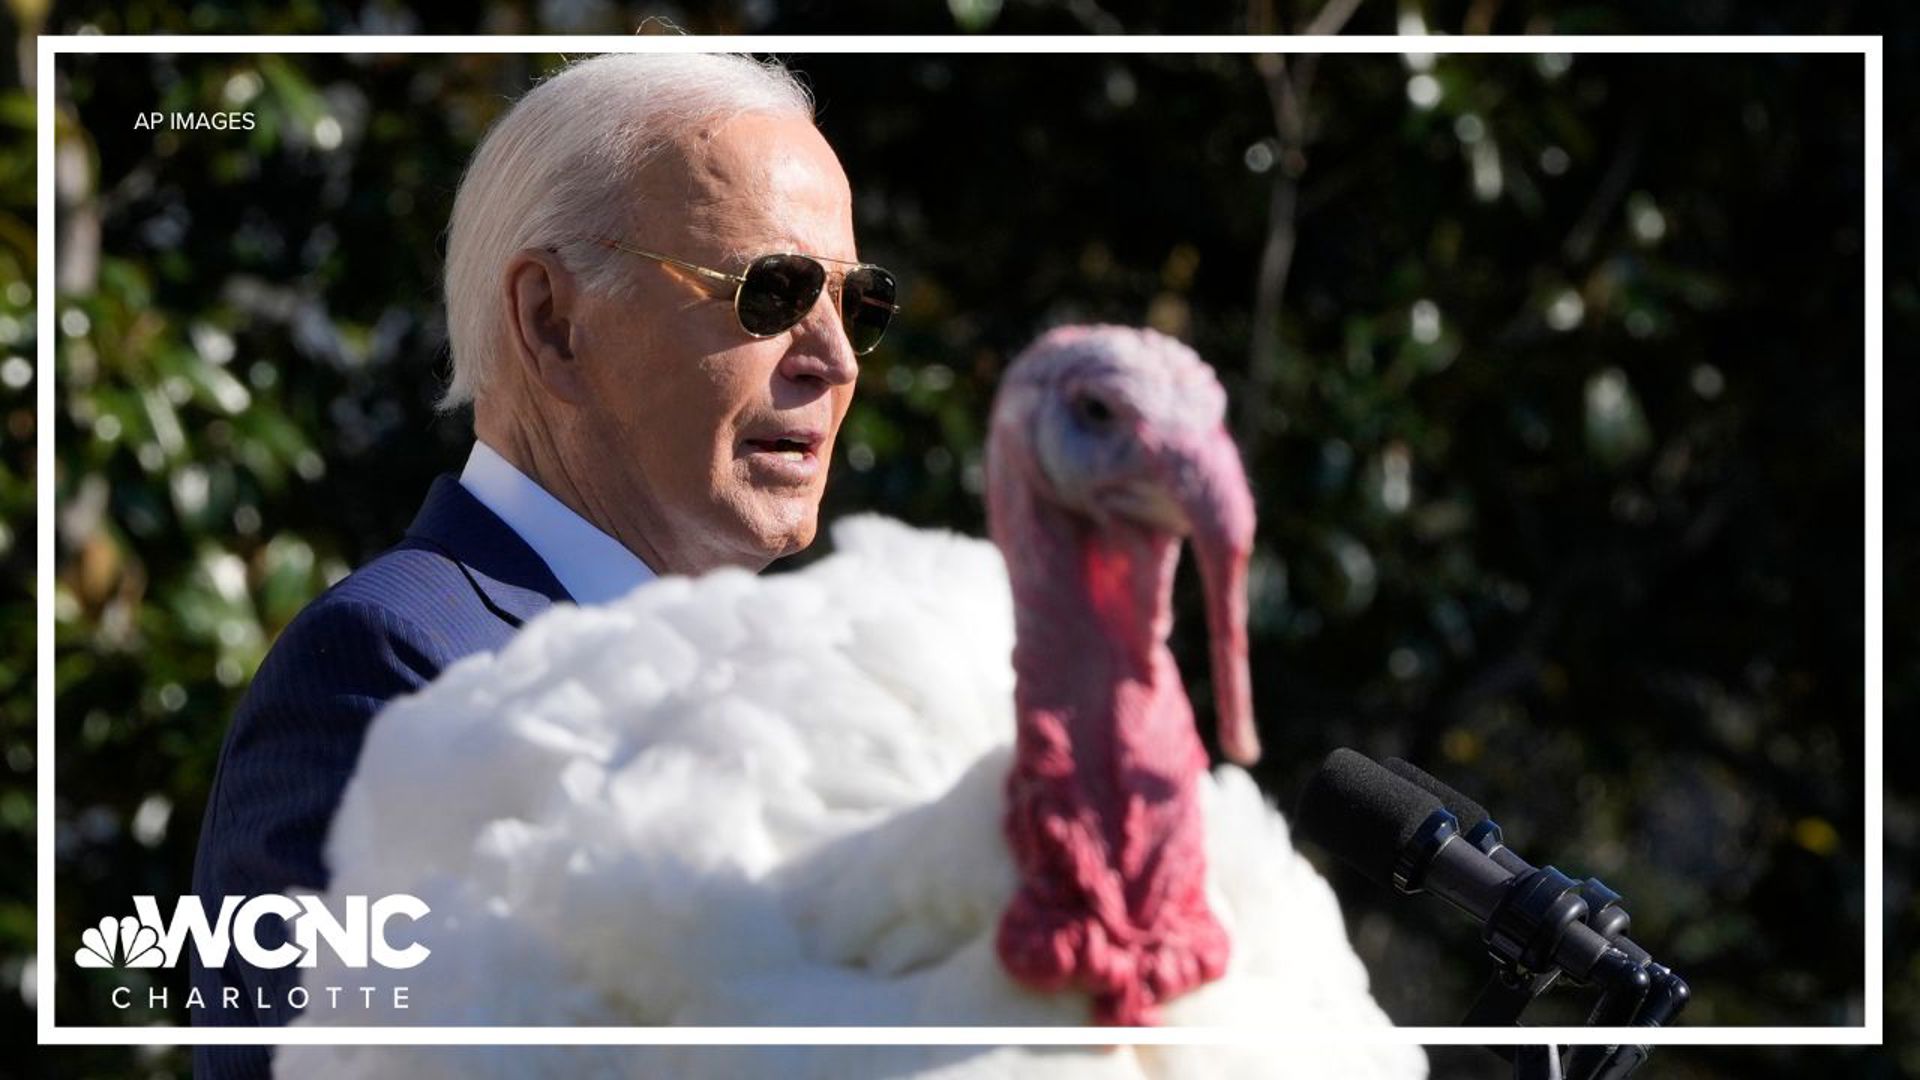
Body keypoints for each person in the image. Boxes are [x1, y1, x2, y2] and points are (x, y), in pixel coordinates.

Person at [188, 52, 897, 1079]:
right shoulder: (388, 670)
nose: (832, 358)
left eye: (857, 303)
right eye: (772, 292)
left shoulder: (805, 691)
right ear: (550, 323)